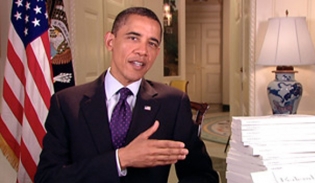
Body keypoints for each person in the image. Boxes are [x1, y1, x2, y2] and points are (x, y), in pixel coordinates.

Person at [34, 6, 219, 183]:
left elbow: (203, 176)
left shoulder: (173, 103)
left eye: (152, 43)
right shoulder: (66, 103)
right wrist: (120, 159)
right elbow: (47, 178)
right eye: (133, 38)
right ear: (110, 41)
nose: (143, 51)